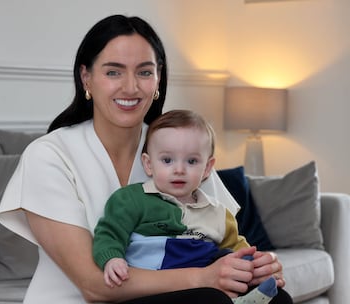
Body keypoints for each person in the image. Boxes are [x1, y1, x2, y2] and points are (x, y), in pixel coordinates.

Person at [0, 14, 292, 304]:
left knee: (276, 297)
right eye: (113, 72)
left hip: (177, 297)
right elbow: (94, 286)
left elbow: (223, 238)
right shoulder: (48, 155)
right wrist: (204, 277)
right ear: (86, 77)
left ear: (159, 78)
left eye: (144, 72)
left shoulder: (177, 146)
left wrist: (258, 266)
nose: (130, 87)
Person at [93, 109, 278, 304]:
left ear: (207, 168)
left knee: (278, 295)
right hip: (154, 289)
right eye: (167, 160)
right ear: (148, 164)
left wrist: (257, 265)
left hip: (208, 285)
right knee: (211, 297)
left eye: (191, 161)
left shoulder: (218, 213)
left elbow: (237, 247)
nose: (179, 170)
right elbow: (109, 233)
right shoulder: (131, 199)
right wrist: (112, 258)